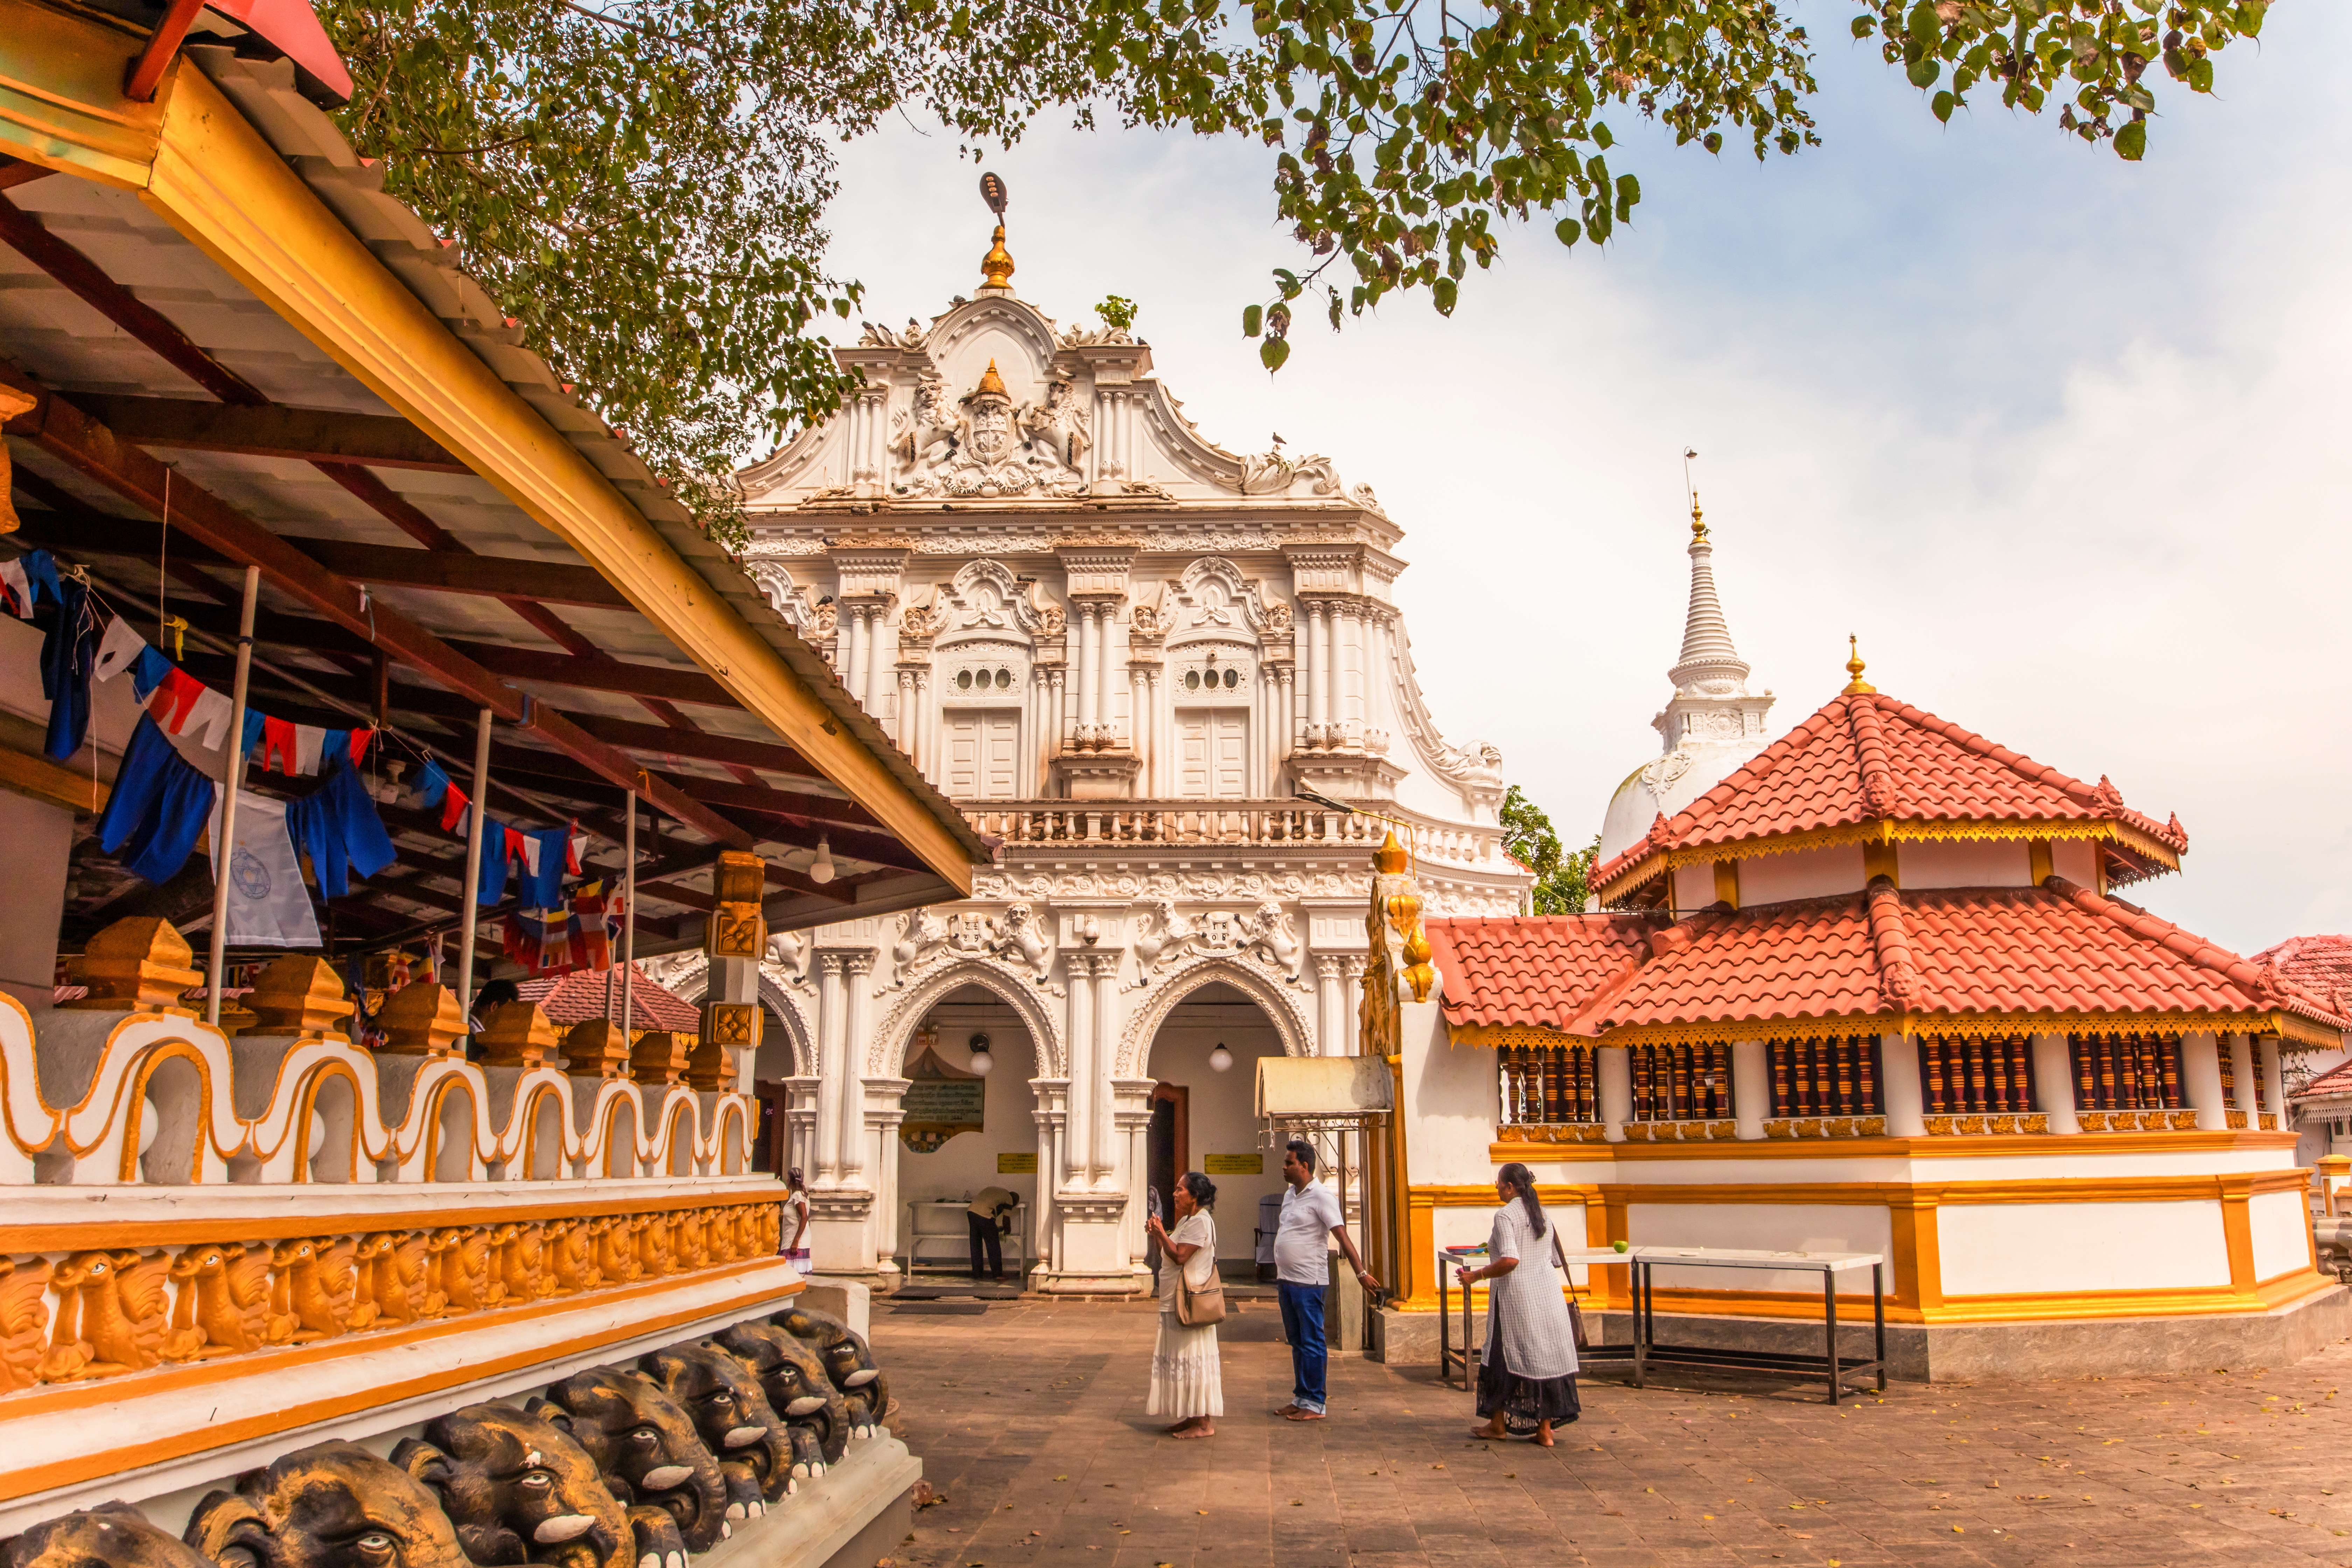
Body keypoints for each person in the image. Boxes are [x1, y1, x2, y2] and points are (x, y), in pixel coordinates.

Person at [1456, 1162, 1580, 1446]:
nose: (1497, 1188)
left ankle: (1498, 1424)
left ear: (1511, 1187)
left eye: (1499, 1183)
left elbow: (1511, 1260)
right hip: (1548, 1297)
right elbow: (1554, 1260)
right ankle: (1545, 1430)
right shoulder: (1543, 1214)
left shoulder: (1505, 1216)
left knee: (1501, 1358)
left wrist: (1477, 1275)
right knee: (1545, 1360)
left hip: (1517, 1301)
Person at [1272, 1139, 1380, 1422]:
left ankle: (1316, 1403)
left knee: (1312, 1342)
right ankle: (1301, 1396)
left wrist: (1361, 1274)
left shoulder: (1322, 1197)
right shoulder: (1290, 1195)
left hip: (1310, 1282)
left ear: (1304, 1166)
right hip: (1287, 1281)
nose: (1283, 1167)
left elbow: (1342, 1236)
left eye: (1289, 1163)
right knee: (1296, 1341)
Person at [1143, 1171, 1222, 1439]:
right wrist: (1158, 1233)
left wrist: (1162, 1233)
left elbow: (1179, 1256)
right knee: (1181, 1358)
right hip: (1174, 1299)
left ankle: (1203, 1422)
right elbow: (1167, 1251)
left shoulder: (1201, 1222)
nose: (1175, 1194)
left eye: (1181, 1190)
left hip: (1189, 1301)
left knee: (1192, 1357)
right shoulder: (1188, 1221)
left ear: (1195, 1196)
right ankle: (1193, 1415)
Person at [968, 1185, 1017, 1282]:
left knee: (976, 1245)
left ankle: (977, 1274)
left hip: (971, 1211)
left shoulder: (997, 1191)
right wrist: (1007, 1231)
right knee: (993, 1245)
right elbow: (1006, 1220)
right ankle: (998, 1274)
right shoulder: (1009, 1199)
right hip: (985, 1216)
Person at [782, 1167, 812, 1273]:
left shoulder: (798, 1195)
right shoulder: (799, 1195)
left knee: (792, 1272)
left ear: (790, 1181)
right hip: (793, 1236)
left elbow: (804, 1217)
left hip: (796, 1239)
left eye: (788, 1179)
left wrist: (796, 1241)